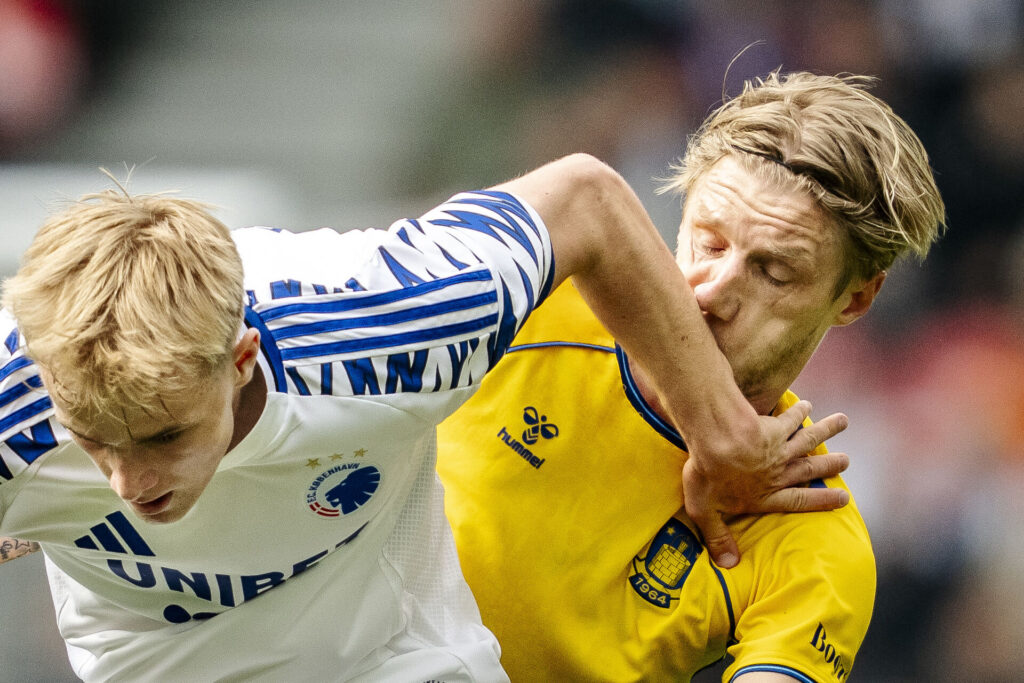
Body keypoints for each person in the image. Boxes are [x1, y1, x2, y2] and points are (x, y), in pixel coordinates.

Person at [0, 150, 849, 681]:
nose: (128, 480)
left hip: (394, 653)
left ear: (241, 359)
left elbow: (587, 200)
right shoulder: (14, 406)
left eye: (163, 435)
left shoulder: (396, 322)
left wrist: (723, 432)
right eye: (94, 440)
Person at [436, 70, 946, 682]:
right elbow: (582, 193)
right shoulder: (534, 306)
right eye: (707, 242)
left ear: (855, 299)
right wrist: (719, 431)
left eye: (775, 273)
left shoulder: (810, 530)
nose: (714, 291)